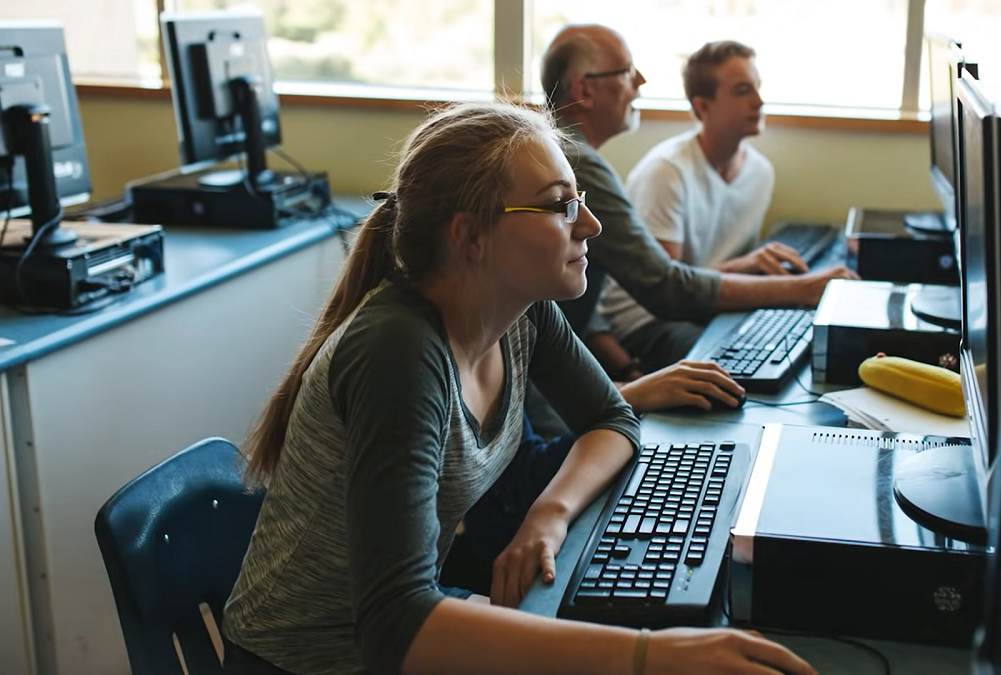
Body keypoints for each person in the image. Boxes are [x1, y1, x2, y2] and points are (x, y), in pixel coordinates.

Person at [220, 102, 815, 675]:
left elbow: (612, 419)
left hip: (402, 633)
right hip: (308, 661)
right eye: (560, 206)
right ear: (470, 237)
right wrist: (647, 657)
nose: (591, 223)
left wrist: (548, 515)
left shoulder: (521, 312)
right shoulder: (397, 352)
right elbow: (395, 626)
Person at [541, 25, 858, 374]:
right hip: (573, 367)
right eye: (628, 71)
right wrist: (801, 289)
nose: (642, 81)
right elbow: (667, 289)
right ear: (585, 89)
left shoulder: (567, 155)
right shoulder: (578, 163)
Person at [600, 40, 806, 369]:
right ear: (702, 107)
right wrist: (754, 271)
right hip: (648, 321)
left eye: (758, 88)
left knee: (788, 341)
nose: (759, 101)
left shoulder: (759, 172)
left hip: (706, 305)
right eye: (742, 91)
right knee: (732, 364)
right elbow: (668, 292)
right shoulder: (667, 172)